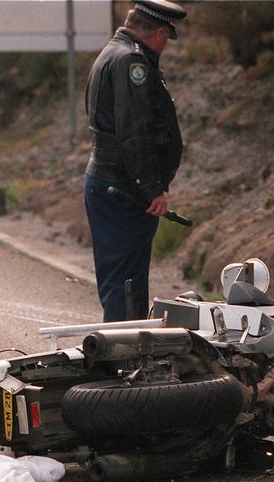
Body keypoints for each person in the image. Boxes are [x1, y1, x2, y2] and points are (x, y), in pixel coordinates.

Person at [84, 0, 186, 322]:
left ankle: (121, 358)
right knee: (127, 284)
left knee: (120, 281)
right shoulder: (132, 62)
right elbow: (135, 130)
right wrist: (152, 188)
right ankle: (126, 364)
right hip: (123, 187)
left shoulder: (113, 52)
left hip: (111, 182)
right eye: (167, 38)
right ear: (158, 33)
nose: (165, 45)